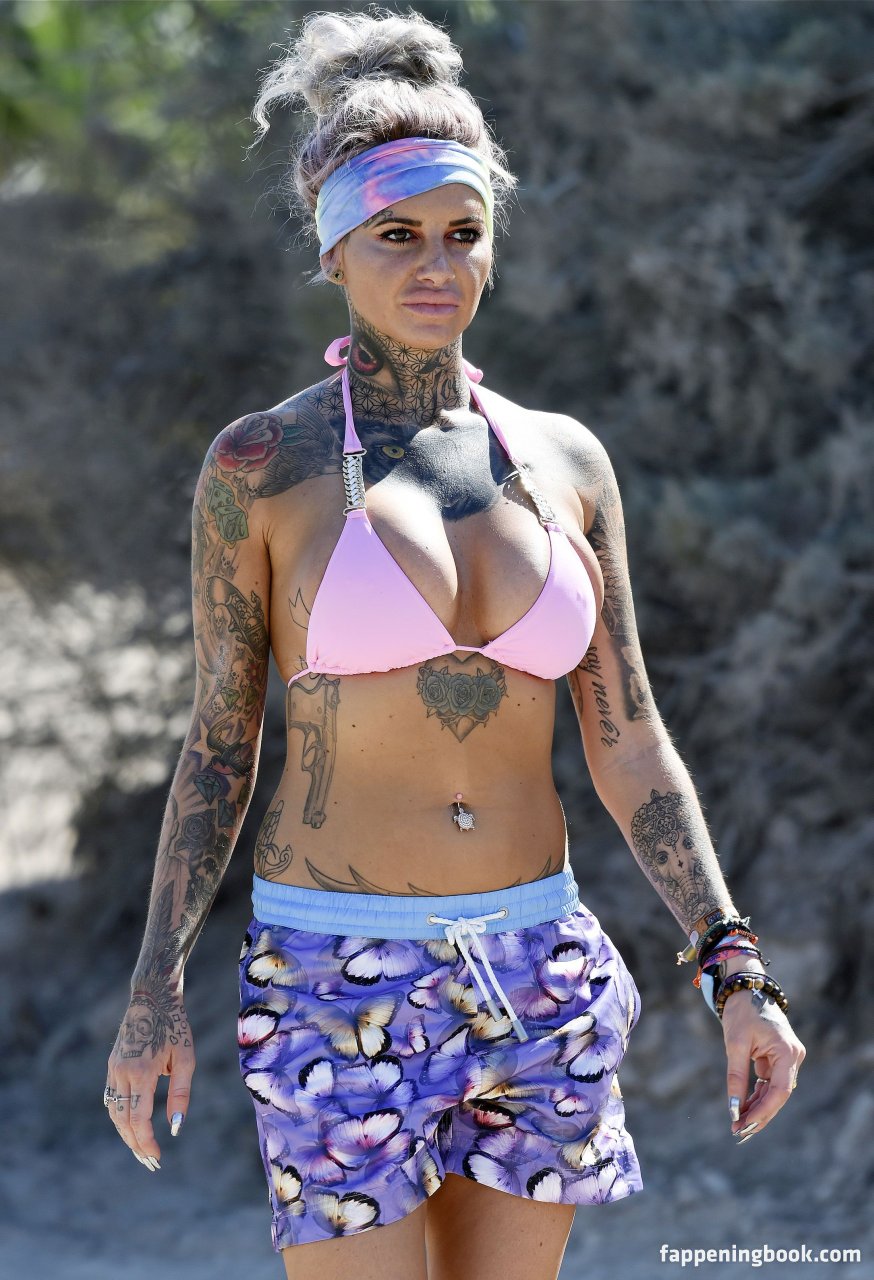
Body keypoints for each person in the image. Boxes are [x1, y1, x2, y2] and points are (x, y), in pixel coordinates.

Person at [103, 9, 806, 1279]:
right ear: (335, 249)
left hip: (539, 962)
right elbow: (219, 743)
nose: (437, 264)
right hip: (337, 968)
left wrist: (733, 964)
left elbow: (629, 736)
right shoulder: (261, 465)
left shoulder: (565, 460)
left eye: (463, 233)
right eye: (398, 235)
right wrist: (155, 987)